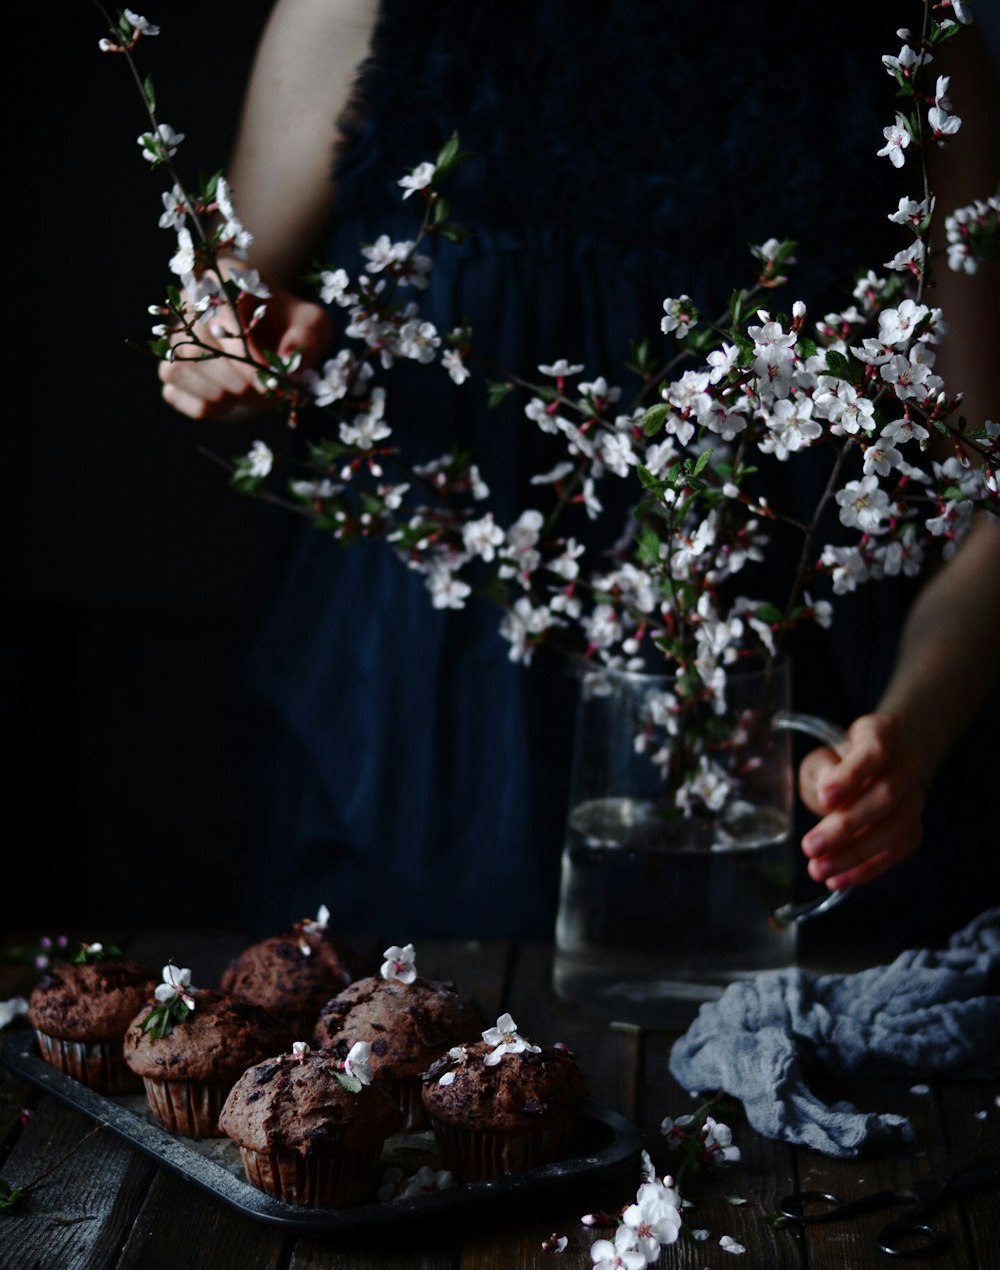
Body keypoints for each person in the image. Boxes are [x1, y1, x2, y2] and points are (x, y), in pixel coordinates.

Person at [156, 0, 1000, 950]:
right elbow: (219, 301)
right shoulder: (358, 9)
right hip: (422, 734)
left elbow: (988, 495)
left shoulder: (914, 33)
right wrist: (234, 348)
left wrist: (906, 742)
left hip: (795, 757)